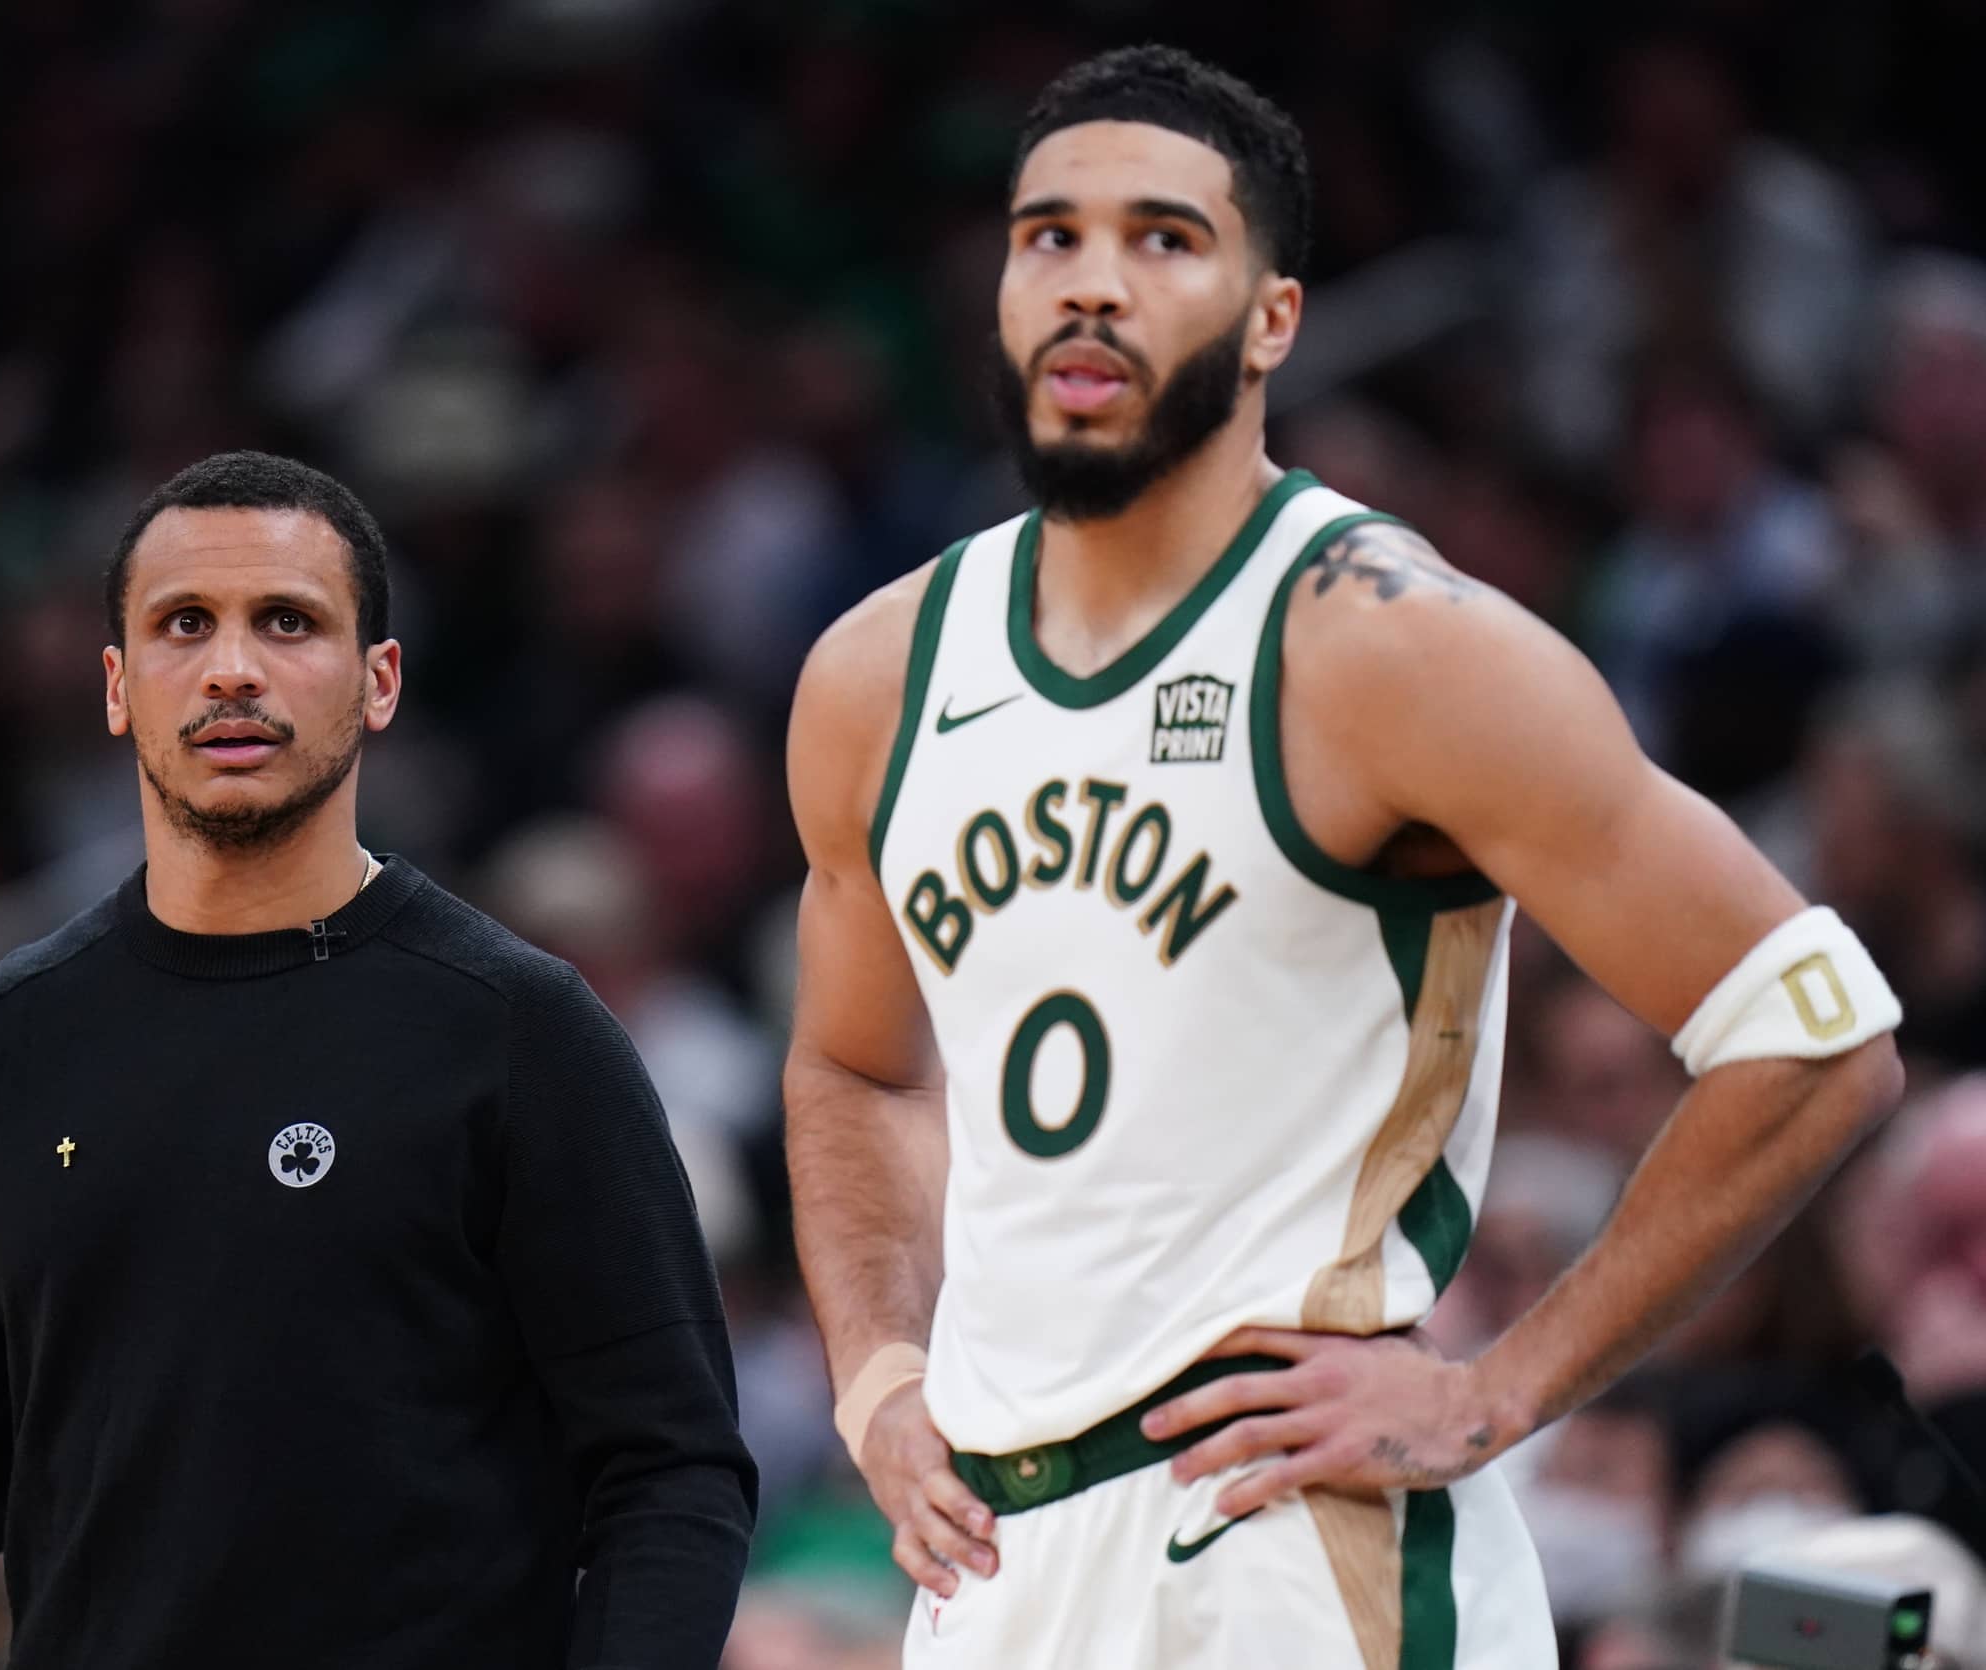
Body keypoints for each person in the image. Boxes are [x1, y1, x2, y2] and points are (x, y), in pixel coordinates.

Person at [781, 46, 1904, 1670]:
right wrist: (876, 1371)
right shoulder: (873, 677)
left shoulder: (1384, 644)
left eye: (1163, 240)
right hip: (993, 1565)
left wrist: (1495, 1390)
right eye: (1049, 237)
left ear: (1270, 319)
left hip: (1283, 1553)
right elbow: (855, 1071)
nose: (1092, 284)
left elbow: (1813, 1039)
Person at [0, 451, 755, 1669]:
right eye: (183, 624)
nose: (232, 667)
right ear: (117, 685)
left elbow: (672, 1469)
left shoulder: (517, 1028)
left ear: (380, 679)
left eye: (287, 621)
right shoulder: (4, 1042)